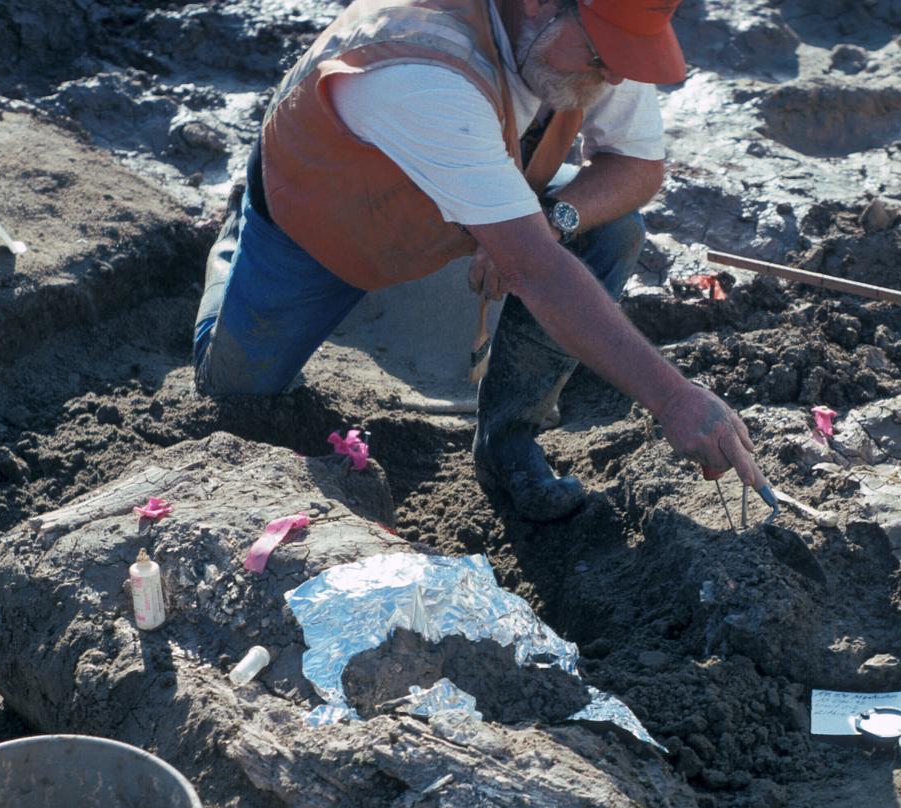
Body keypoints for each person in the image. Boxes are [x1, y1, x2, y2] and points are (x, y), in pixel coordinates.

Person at [193, 0, 768, 521]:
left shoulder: (593, 31)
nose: (614, 74)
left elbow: (638, 166)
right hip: (327, 212)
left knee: (611, 229)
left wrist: (549, 221)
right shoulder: (419, 65)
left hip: (475, 189)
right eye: (601, 54)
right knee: (238, 393)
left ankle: (508, 441)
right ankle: (243, 223)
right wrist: (672, 397)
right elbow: (535, 270)